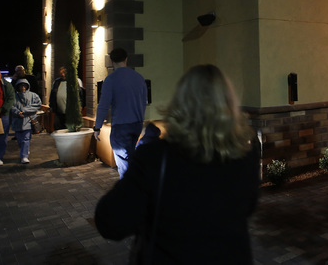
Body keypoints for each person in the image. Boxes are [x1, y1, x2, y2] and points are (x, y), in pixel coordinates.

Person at [95, 64, 260, 264]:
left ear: (181, 103)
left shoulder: (156, 157)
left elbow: (110, 222)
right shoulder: (245, 154)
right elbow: (248, 207)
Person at [93, 48, 148, 177]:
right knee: (131, 158)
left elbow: (103, 105)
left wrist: (97, 127)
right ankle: (136, 184)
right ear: (126, 59)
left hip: (120, 126)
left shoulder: (111, 80)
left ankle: (129, 187)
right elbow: (144, 101)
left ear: (112, 61)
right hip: (137, 124)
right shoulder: (139, 78)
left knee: (124, 163)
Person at [10, 79, 42, 164]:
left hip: (28, 119)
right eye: (21, 86)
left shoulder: (33, 95)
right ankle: (24, 150)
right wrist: (17, 112)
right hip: (17, 120)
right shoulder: (14, 96)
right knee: (20, 139)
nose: (23, 87)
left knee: (26, 138)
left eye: (24, 86)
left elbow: (38, 104)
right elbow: (11, 106)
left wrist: (24, 110)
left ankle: (24, 156)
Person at [49, 66, 85, 131]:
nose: (63, 74)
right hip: (59, 112)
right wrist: (51, 106)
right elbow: (52, 94)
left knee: (70, 129)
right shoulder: (57, 82)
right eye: (61, 73)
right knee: (58, 128)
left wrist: (81, 105)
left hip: (71, 113)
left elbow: (81, 94)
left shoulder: (76, 81)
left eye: (64, 72)